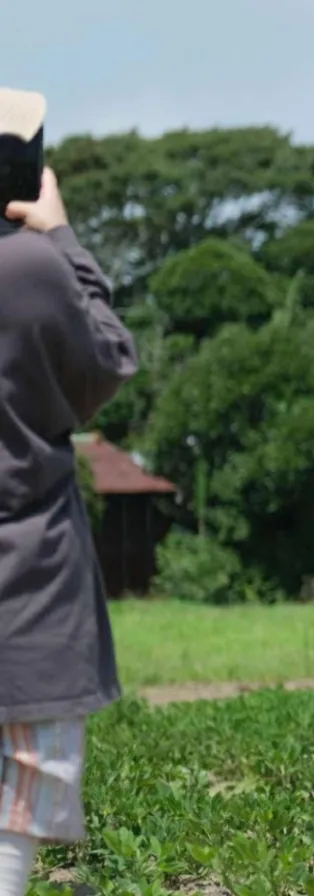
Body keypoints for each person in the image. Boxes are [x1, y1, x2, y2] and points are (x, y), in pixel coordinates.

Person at [0, 87, 140, 896]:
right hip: (26, 566)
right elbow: (108, 362)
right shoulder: (29, 267)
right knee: (17, 779)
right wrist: (62, 240)